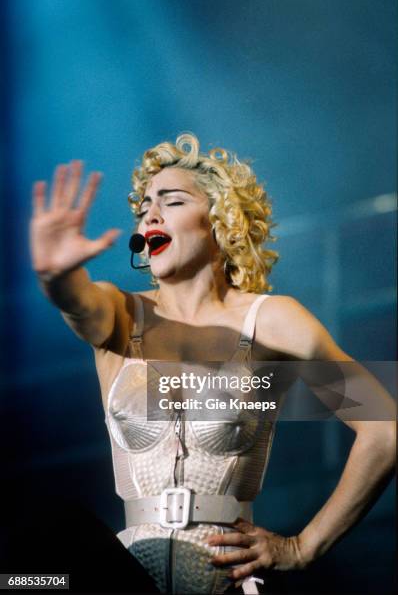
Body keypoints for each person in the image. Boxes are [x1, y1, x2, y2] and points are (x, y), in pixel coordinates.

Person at [30, 133, 396, 594]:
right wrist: (55, 274)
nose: (151, 214)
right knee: (33, 563)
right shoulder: (120, 314)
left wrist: (303, 547)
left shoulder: (273, 320)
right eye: (144, 206)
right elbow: (78, 303)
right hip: (124, 581)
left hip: (224, 581)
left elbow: (384, 428)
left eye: (172, 201)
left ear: (221, 219)